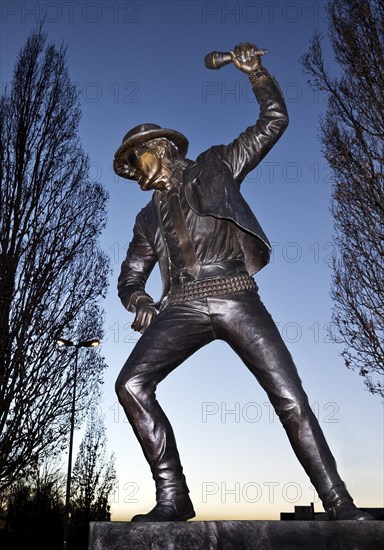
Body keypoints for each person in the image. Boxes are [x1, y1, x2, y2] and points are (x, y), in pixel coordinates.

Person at [113, 43, 373, 523]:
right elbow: (130, 276)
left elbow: (273, 123)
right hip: (181, 307)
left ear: (158, 149)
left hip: (235, 294)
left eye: (136, 159)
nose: (133, 171)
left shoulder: (216, 165)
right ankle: (174, 497)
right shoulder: (145, 218)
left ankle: (339, 503)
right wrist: (141, 298)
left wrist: (257, 74)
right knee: (130, 383)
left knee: (289, 396)